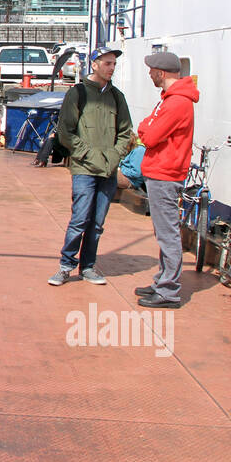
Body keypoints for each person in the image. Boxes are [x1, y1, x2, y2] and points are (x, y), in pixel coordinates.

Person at [50, 46, 133, 286]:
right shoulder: (78, 94)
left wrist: (114, 155)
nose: (112, 68)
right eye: (107, 63)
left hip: (107, 169)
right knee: (79, 219)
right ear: (94, 65)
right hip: (84, 168)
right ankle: (66, 265)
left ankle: (88, 267)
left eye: (114, 64)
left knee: (96, 224)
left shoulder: (117, 97)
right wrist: (87, 153)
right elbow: (66, 131)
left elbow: (126, 131)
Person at [134, 51, 200, 309]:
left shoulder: (176, 103)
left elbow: (148, 136)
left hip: (165, 173)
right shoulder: (171, 100)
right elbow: (147, 126)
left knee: (168, 234)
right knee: (164, 232)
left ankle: (168, 290)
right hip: (161, 172)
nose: (149, 74)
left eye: (152, 70)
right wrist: (147, 127)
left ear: (161, 73)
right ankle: (162, 280)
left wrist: (147, 128)